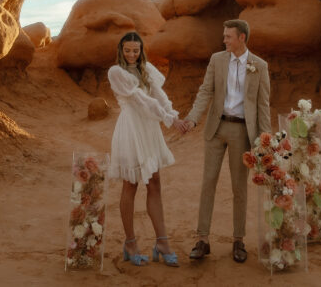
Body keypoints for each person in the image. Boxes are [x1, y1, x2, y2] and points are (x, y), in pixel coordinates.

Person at [178, 19, 270, 263]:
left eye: (229, 36)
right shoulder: (217, 60)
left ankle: (238, 241)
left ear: (242, 38)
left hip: (242, 132)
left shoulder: (259, 66)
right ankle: (202, 240)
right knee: (208, 182)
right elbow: (205, 91)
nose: (224, 40)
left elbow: (263, 106)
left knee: (239, 188)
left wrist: (265, 141)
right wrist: (192, 119)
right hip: (215, 129)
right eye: (224, 36)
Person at [107, 31, 182, 267]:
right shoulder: (116, 72)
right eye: (127, 50)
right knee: (131, 184)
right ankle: (130, 243)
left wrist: (171, 114)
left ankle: (162, 242)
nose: (131, 54)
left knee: (155, 182)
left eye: (135, 50)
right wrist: (169, 121)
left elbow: (158, 96)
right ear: (121, 50)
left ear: (141, 51)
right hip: (131, 128)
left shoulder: (147, 69)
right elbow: (140, 100)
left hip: (149, 128)